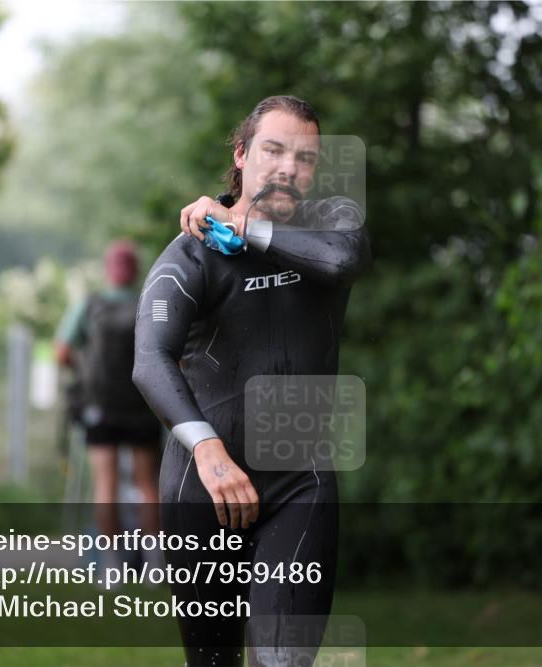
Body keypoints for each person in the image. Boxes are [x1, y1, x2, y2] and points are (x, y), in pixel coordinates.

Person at [133, 95, 370, 666]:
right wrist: (210, 454)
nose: (290, 166)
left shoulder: (333, 223)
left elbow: (341, 264)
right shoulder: (193, 252)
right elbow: (149, 360)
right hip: (203, 487)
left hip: (300, 484)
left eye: (306, 157)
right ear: (241, 154)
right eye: (273, 149)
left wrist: (246, 227)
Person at [56, 240, 162, 564]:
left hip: (101, 406)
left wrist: (84, 372)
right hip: (142, 405)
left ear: (108, 269)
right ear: (136, 270)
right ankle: (155, 563)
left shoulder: (90, 304)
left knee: (106, 482)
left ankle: (112, 563)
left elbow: (61, 352)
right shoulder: (149, 303)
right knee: (147, 484)